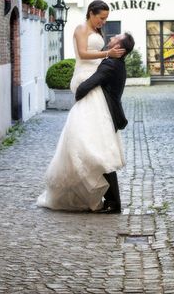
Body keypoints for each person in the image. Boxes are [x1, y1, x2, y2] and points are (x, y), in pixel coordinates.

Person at [37, 0, 127, 212]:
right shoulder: (80, 29)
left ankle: (97, 159)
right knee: (86, 123)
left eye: (105, 18)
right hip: (86, 76)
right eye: (101, 17)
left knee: (97, 125)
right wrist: (107, 54)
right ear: (90, 13)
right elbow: (83, 54)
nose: (103, 22)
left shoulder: (97, 31)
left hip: (96, 76)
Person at [75, 31, 135, 214]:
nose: (112, 37)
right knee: (101, 157)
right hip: (106, 115)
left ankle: (113, 203)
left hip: (104, 116)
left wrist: (78, 92)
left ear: (119, 47)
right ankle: (109, 200)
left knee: (104, 159)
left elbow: (91, 83)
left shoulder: (111, 64)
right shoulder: (116, 63)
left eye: (116, 37)